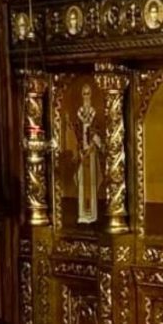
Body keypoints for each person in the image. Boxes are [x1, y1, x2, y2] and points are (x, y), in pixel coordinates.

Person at [75, 83, 99, 224]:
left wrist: (91, 147)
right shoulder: (79, 113)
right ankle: (82, 214)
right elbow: (78, 132)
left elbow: (95, 131)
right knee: (82, 182)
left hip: (91, 152)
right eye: (84, 94)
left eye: (88, 94)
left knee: (91, 183)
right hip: (82, 152)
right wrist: (80, 149)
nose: (86, 97)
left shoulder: (94, 112)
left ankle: (92, 214)